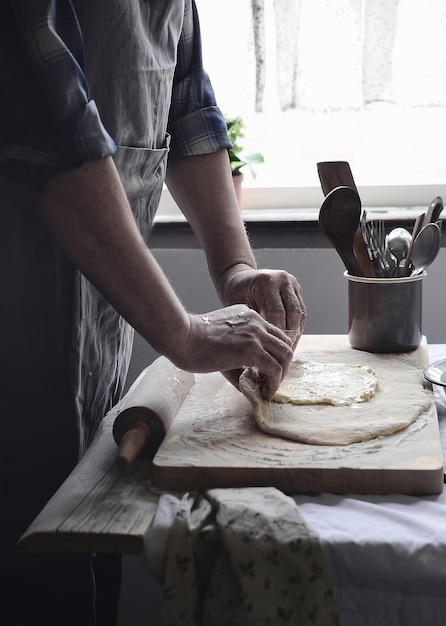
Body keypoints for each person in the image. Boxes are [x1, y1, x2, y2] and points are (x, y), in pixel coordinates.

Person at [0, 1, 306, 624]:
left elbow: (188, 110)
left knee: (89, 567)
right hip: (13, 351)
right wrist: (184, 334)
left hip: (99, 359)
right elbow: (58, 140)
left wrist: (235, 270)